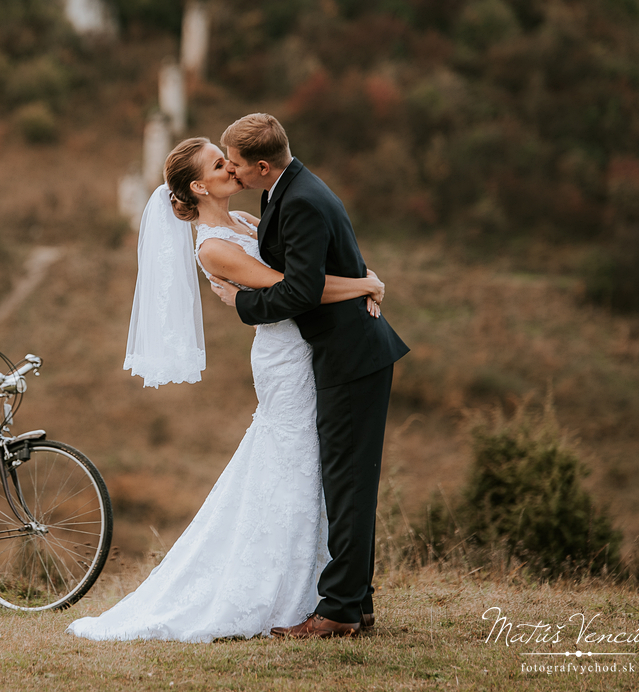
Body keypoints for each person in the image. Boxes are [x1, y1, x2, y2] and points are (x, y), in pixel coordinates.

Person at [67, 137, 384, 643]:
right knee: (292, 459)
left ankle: (326, 592)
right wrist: (365, 285)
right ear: (199, 186)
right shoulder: (214, 246)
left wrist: (354, 278)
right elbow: (296, 290)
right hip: (284, 359)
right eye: (220, 164)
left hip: (305, 348)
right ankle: (290, 594)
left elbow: (306, 271)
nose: (231, 168)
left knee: (309, 467)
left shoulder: (245, 223)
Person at [209, 113, 409, 639]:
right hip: (343, 351)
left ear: (261, 165)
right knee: (346, 480)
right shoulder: (285, 190)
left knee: (347, 484)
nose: (230, 170)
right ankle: (357, 601)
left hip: (351, 357)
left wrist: (242, 301)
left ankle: (340, 609)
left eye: (235, 164)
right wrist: (365, 283)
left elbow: (300, 290)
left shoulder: (299, 201)